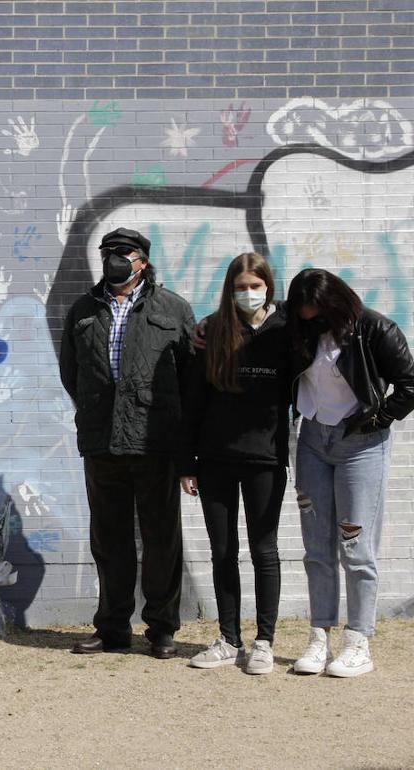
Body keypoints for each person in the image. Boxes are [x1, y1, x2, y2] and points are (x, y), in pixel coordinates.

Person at [58, 227, 195, 659]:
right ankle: (113, 627)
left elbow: (190, 377)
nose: (114, 258)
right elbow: (71, 373)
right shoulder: (83, 308)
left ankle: (162, 629)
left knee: (161, 540)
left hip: (155, 443)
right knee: (110, 540)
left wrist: (182, 440)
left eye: (124, 252)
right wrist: (95, 411)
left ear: (143, 260)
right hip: (102, 443)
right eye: (108, 252)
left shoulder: (172, 308)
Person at [285, 268, 414, 678]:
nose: (309, 319)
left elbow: (410, 383)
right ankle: (319, 635)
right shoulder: (299, 329)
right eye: (304, 313)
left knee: (355, 547)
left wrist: (378, 420)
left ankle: (358, 642)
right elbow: (253, 331)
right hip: (312, 441)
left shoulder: (375, 328)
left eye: (315, 312)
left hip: (361, 444)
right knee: (316, 548)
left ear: (333, 303)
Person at [179, 253, 291, 675]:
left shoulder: (286, 330)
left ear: (268, 286)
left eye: (255, 285)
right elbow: (194, 400)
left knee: (265, 550)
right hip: (214, 459)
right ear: (230, 288)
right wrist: (186, 462)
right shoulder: (212, 330)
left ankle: (264, 641)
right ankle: (228, 638)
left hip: (265, 458)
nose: (248, 293)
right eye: (241, 286)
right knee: (222, 551)